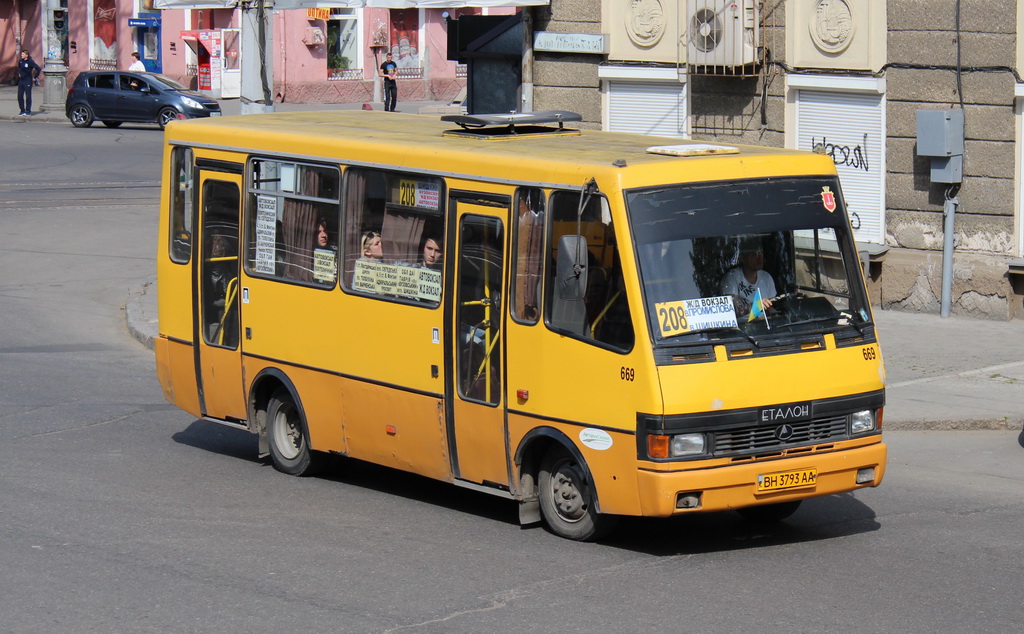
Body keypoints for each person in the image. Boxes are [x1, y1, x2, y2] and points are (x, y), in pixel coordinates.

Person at [720, 238, 777, 315]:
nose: (759, 257)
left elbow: (770, 307)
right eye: (754, 254)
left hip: (764, 324)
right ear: (742, 258)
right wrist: (757, 306)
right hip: (742, 325)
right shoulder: (732, 278)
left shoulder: (766, 277)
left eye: (761, 253)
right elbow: (733, 310)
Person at [17, 50, 42, 117]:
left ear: (26, 55)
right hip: (21, 80)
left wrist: (35, 77)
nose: (21, 55)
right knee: (19, 96)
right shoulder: (20, 61)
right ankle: (22, 110)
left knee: (28, 96)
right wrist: (19, 73)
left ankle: (28, 111)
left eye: (23, 54)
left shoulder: (30, 61)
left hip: (27, 80)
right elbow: (19, 67)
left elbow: (38, 68)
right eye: (21, 54)